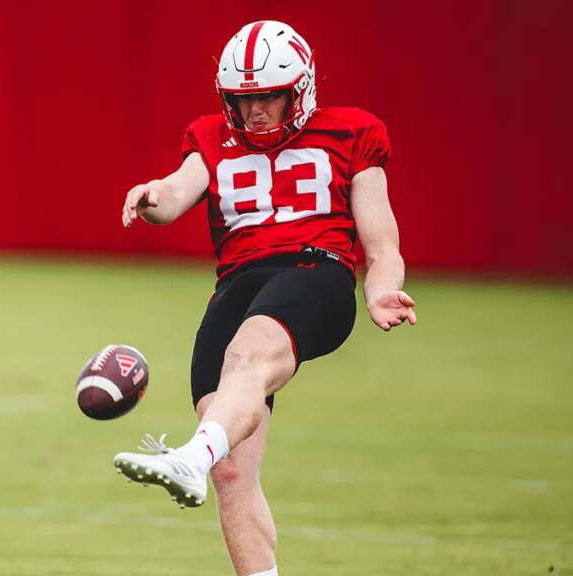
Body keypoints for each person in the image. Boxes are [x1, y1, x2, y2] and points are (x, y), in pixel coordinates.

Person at [112, 20, 417, 576]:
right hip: (237, 287)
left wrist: (381, 291)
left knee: (245, 357)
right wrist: (152, 195)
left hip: (314, 272)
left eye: (269, 97)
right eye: (243, 99)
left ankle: (186, 458)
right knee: (230, 471)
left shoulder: (353, 132)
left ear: (298, 90)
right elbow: (177, 193)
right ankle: (203, 462)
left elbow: (381, 243)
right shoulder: (210, 137)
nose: (255, 112)